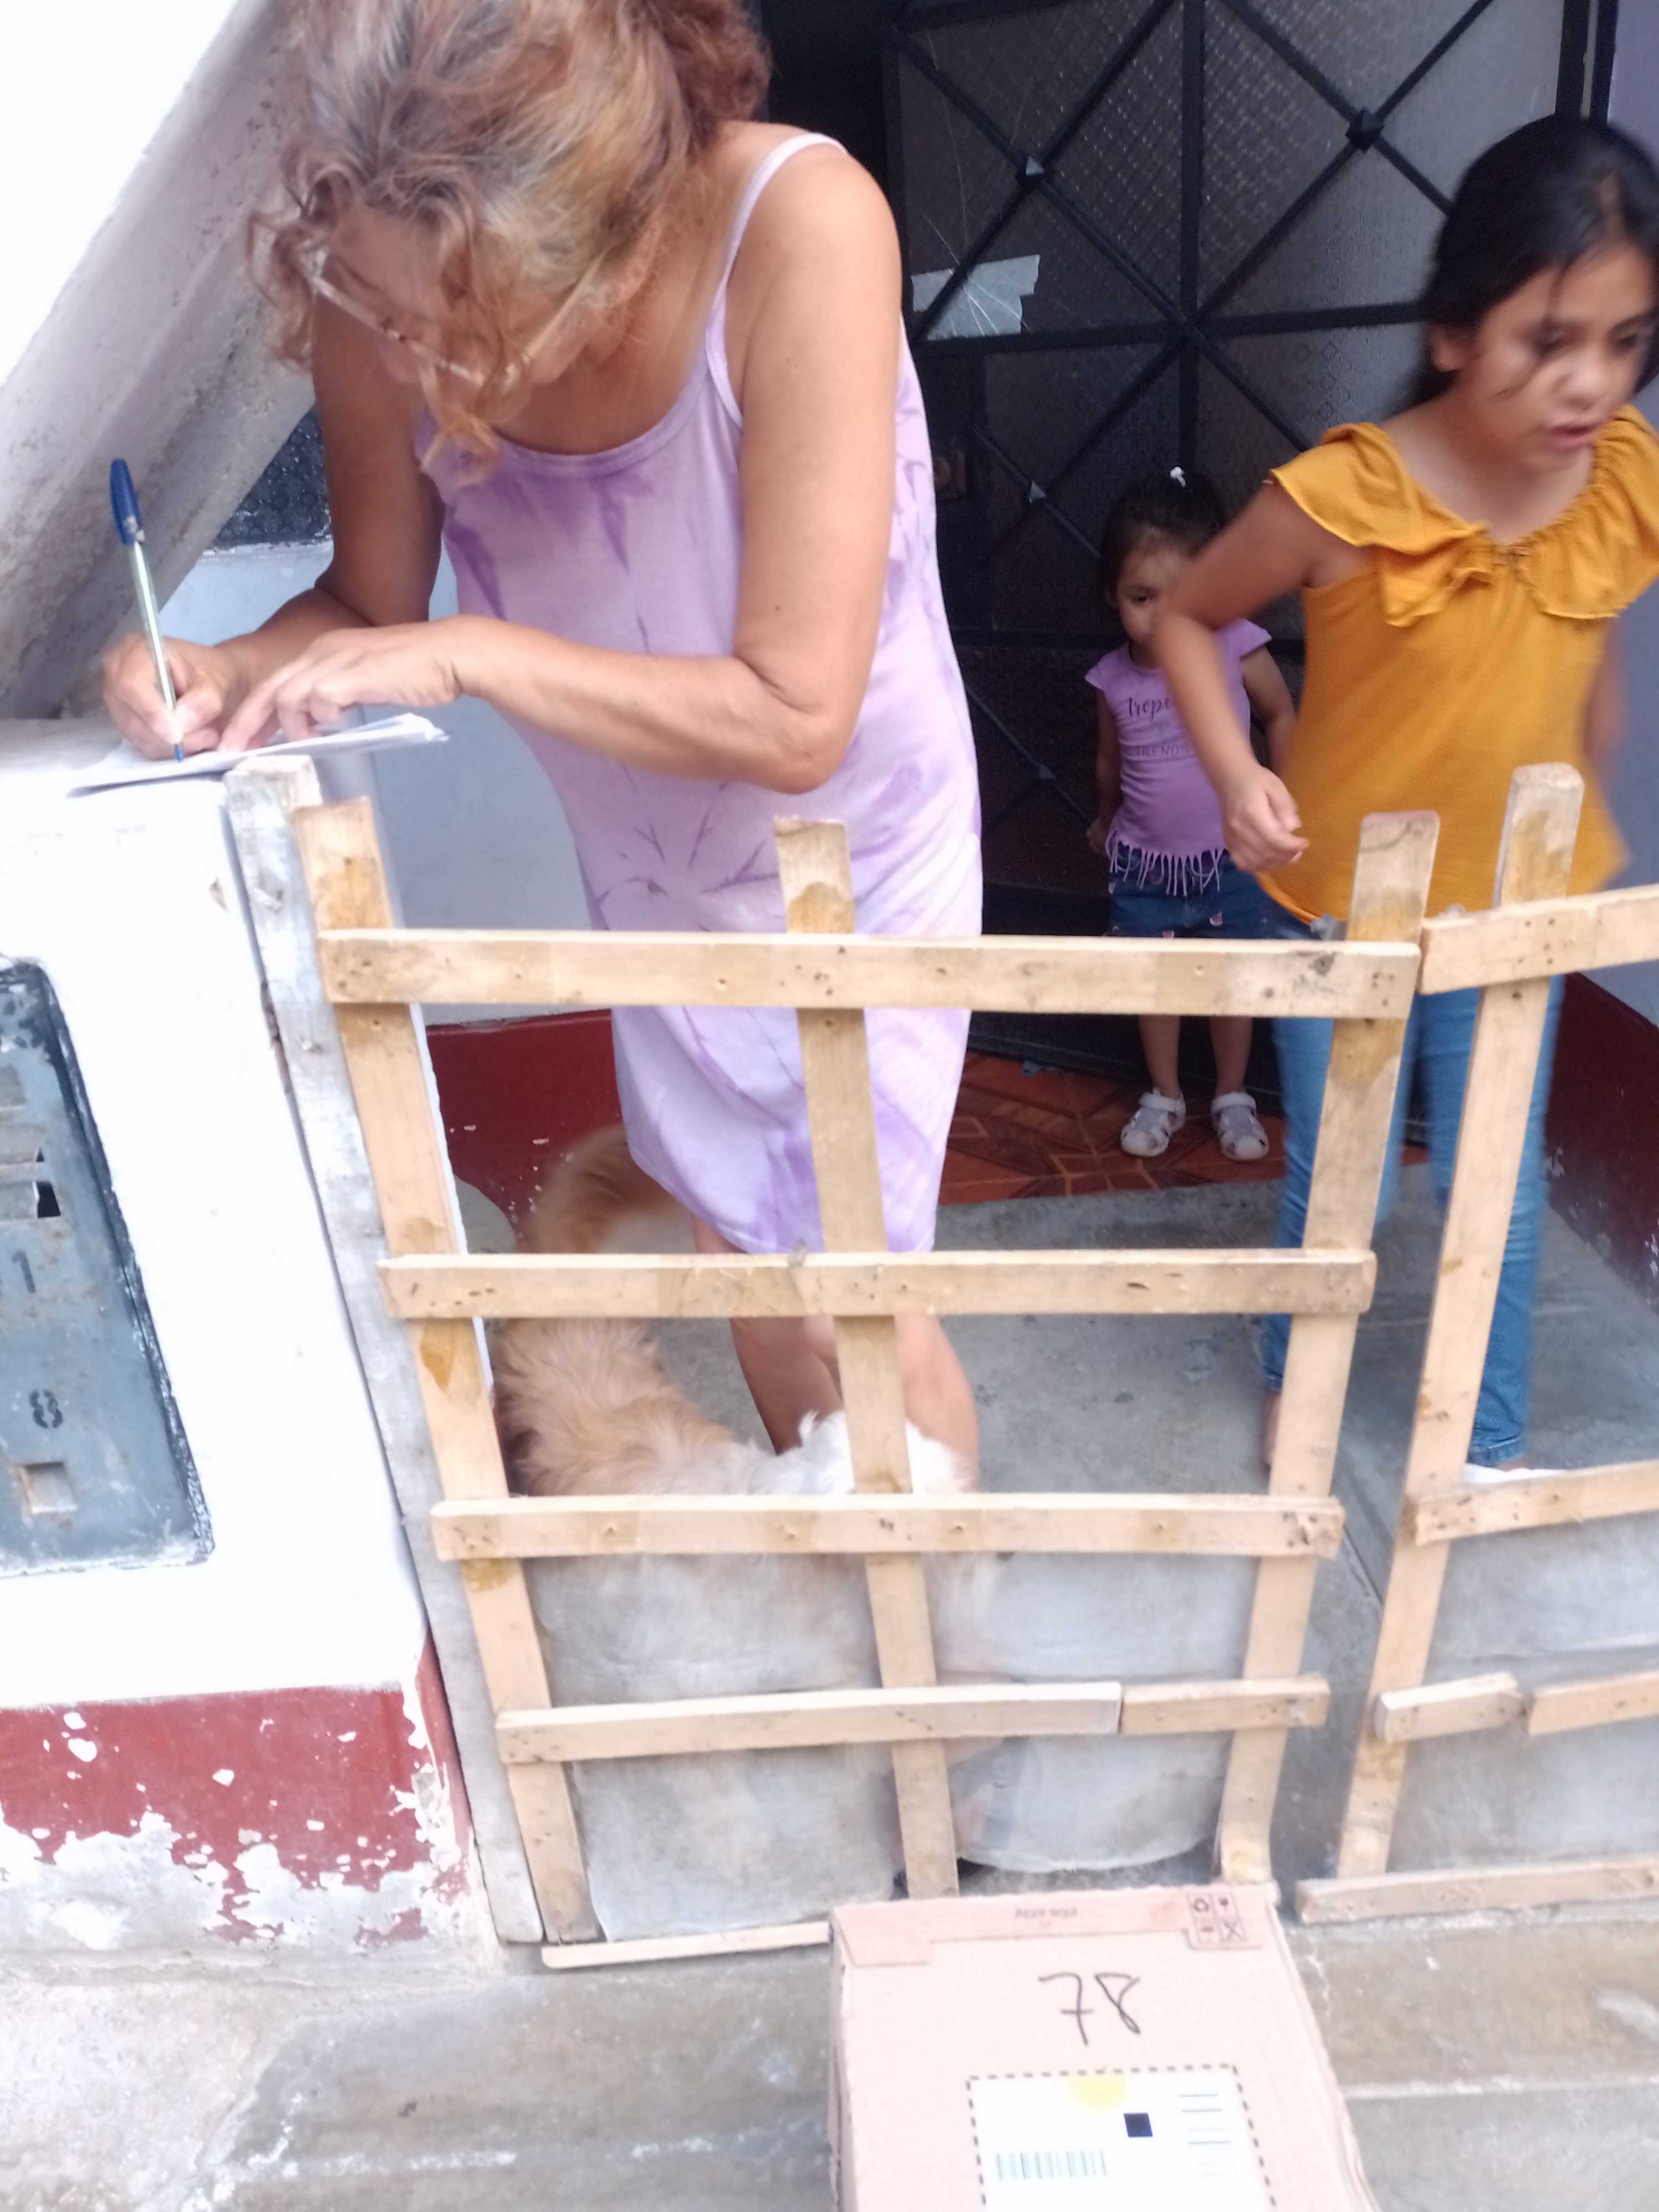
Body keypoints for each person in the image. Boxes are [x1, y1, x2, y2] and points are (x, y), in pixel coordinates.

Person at [101, 0, 983, 1467]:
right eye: (384, 315)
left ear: (604, 244)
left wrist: (473, 654)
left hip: (853, 849)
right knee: (753, 1261)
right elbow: (367, 605)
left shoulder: (801, 229)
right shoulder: (381, 279)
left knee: (850, 1297)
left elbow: (795, 713)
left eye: (460, 329)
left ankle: (939, 1604)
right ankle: (854, 1568)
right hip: (654, 870)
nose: (410, 362)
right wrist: (215, 665)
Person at [1157, 114, 1659, 1474]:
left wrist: (1598, 756)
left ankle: (1481, 1447)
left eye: (1623, 341)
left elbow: (1591, 624)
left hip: (1514, 907)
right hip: (1343, 906)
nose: (1588, 381)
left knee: (1496, 1186)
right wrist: (1236, 772)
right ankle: (1294, 1383)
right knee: (1349, 1183)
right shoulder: (1345, 494)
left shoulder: (1618, 474)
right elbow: (1187, 618)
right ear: (1450, 331)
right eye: (1545, 340)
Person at [1086, 468, 1296, 1162]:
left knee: (1230, 979)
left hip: (1230, 858)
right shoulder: (1112, 678)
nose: (1163, 616)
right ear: (1112, 595)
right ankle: (1166, 1093)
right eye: (1142, 598)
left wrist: (1286, 801)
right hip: (1143, 864)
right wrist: (1104, 820)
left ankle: (1232, 1093)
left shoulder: (1236, 644)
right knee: (1155, 981)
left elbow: (1280, 712)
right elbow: (1109, 763)